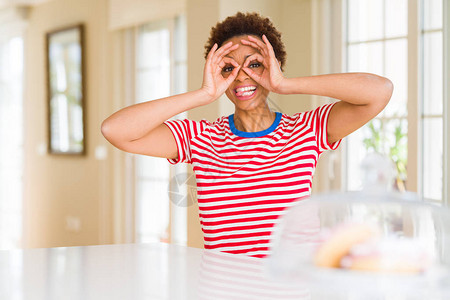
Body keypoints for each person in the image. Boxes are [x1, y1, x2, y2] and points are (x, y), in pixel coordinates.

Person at [101, 12, 393, 258]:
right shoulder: (199, 138)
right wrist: (202, 94)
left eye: (254, 64)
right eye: (228, 68)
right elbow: (115, 130)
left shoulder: (306, 130)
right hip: (224, 291)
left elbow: (379, 91)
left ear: (273, 66)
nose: (241, 76)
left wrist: (285, 84)